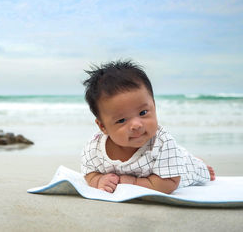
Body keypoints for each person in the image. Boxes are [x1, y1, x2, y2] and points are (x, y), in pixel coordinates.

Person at [81, 60, 215, 194]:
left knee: (196, 169)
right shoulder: (94, 148)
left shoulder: (162, 143)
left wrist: (133, 182)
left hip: (178, 169)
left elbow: (170, 184)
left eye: (143, 113)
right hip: (164, 163)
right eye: (121, 120)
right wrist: (98, 180)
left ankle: (198, 162)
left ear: (154, 106)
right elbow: (89, 173)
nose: (136, 125)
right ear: (103, 126)